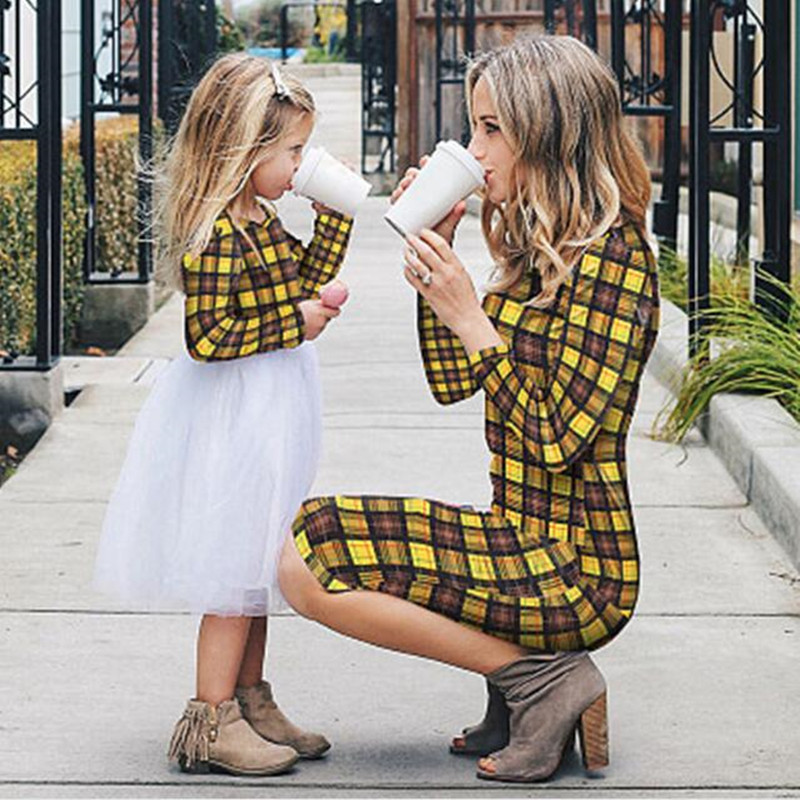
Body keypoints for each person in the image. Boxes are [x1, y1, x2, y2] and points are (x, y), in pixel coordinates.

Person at [278, 34, 659, 783]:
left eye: (491, 129)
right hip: (517, 535)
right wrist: (438, 273)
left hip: (578, 569)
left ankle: (544, 681)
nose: (474, 149)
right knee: (305, 537)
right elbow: (455, 382)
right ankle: (522, 679)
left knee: (308, 565)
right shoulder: (537, 248)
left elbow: (556, 440)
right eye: (474, 127)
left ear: (547, 134)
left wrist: (473, 319)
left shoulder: (617, 263)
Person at [93, 53, 354, 777]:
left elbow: (302, 278)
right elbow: (207, 340)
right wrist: (294, 325)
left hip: (271, 407)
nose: (302, 165)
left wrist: (331, 221)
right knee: (230, 568)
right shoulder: (216, 234)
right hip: (236, 414)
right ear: (244, 150)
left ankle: (251, 700)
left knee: (258, 564)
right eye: (293, 151)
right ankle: (209, 721)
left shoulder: (261, 217)